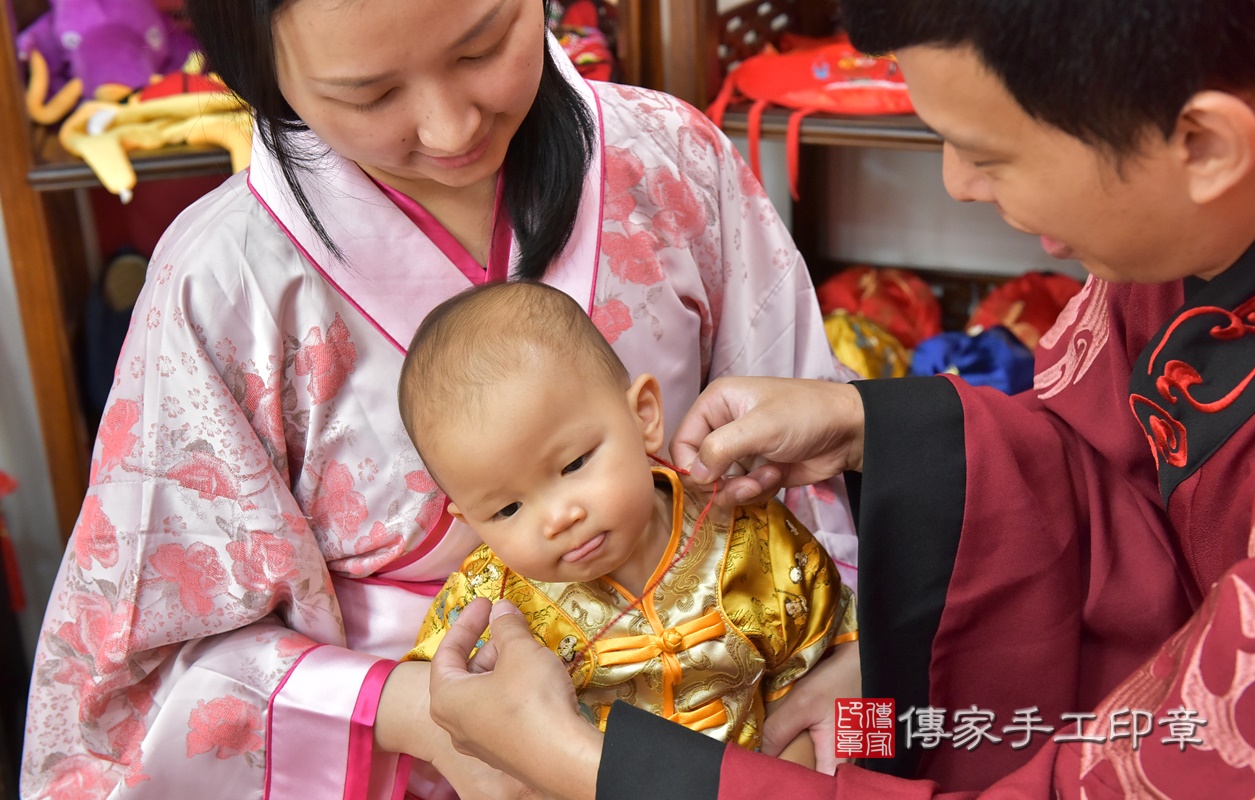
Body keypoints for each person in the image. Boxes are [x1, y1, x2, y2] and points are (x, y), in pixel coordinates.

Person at [17, 1, 861, 797]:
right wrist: (417, 711)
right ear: (260, 72)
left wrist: (850, 687)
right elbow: (137, 670)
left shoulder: (670, 157)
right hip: (422, 754)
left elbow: (819, 488)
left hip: (756, 702)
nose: (452, 127)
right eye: (372, 92)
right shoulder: (220, 280)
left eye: (483, 46)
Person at [422, 0, 1255, 797]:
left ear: (1205, 143)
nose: (957, 183)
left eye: (988, 153)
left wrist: (591, 768)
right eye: (503, 507)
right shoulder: (1174, 252)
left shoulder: (752, 544)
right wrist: (871, 430)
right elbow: (1108, 490)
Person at [396, 281, 859, 767]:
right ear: (469, 520)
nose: (558, 519)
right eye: (506, 510)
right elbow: (459, 717)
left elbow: (819, 669)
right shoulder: (488, 603)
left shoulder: (747, 530)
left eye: (574, 464)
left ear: (643, 416)